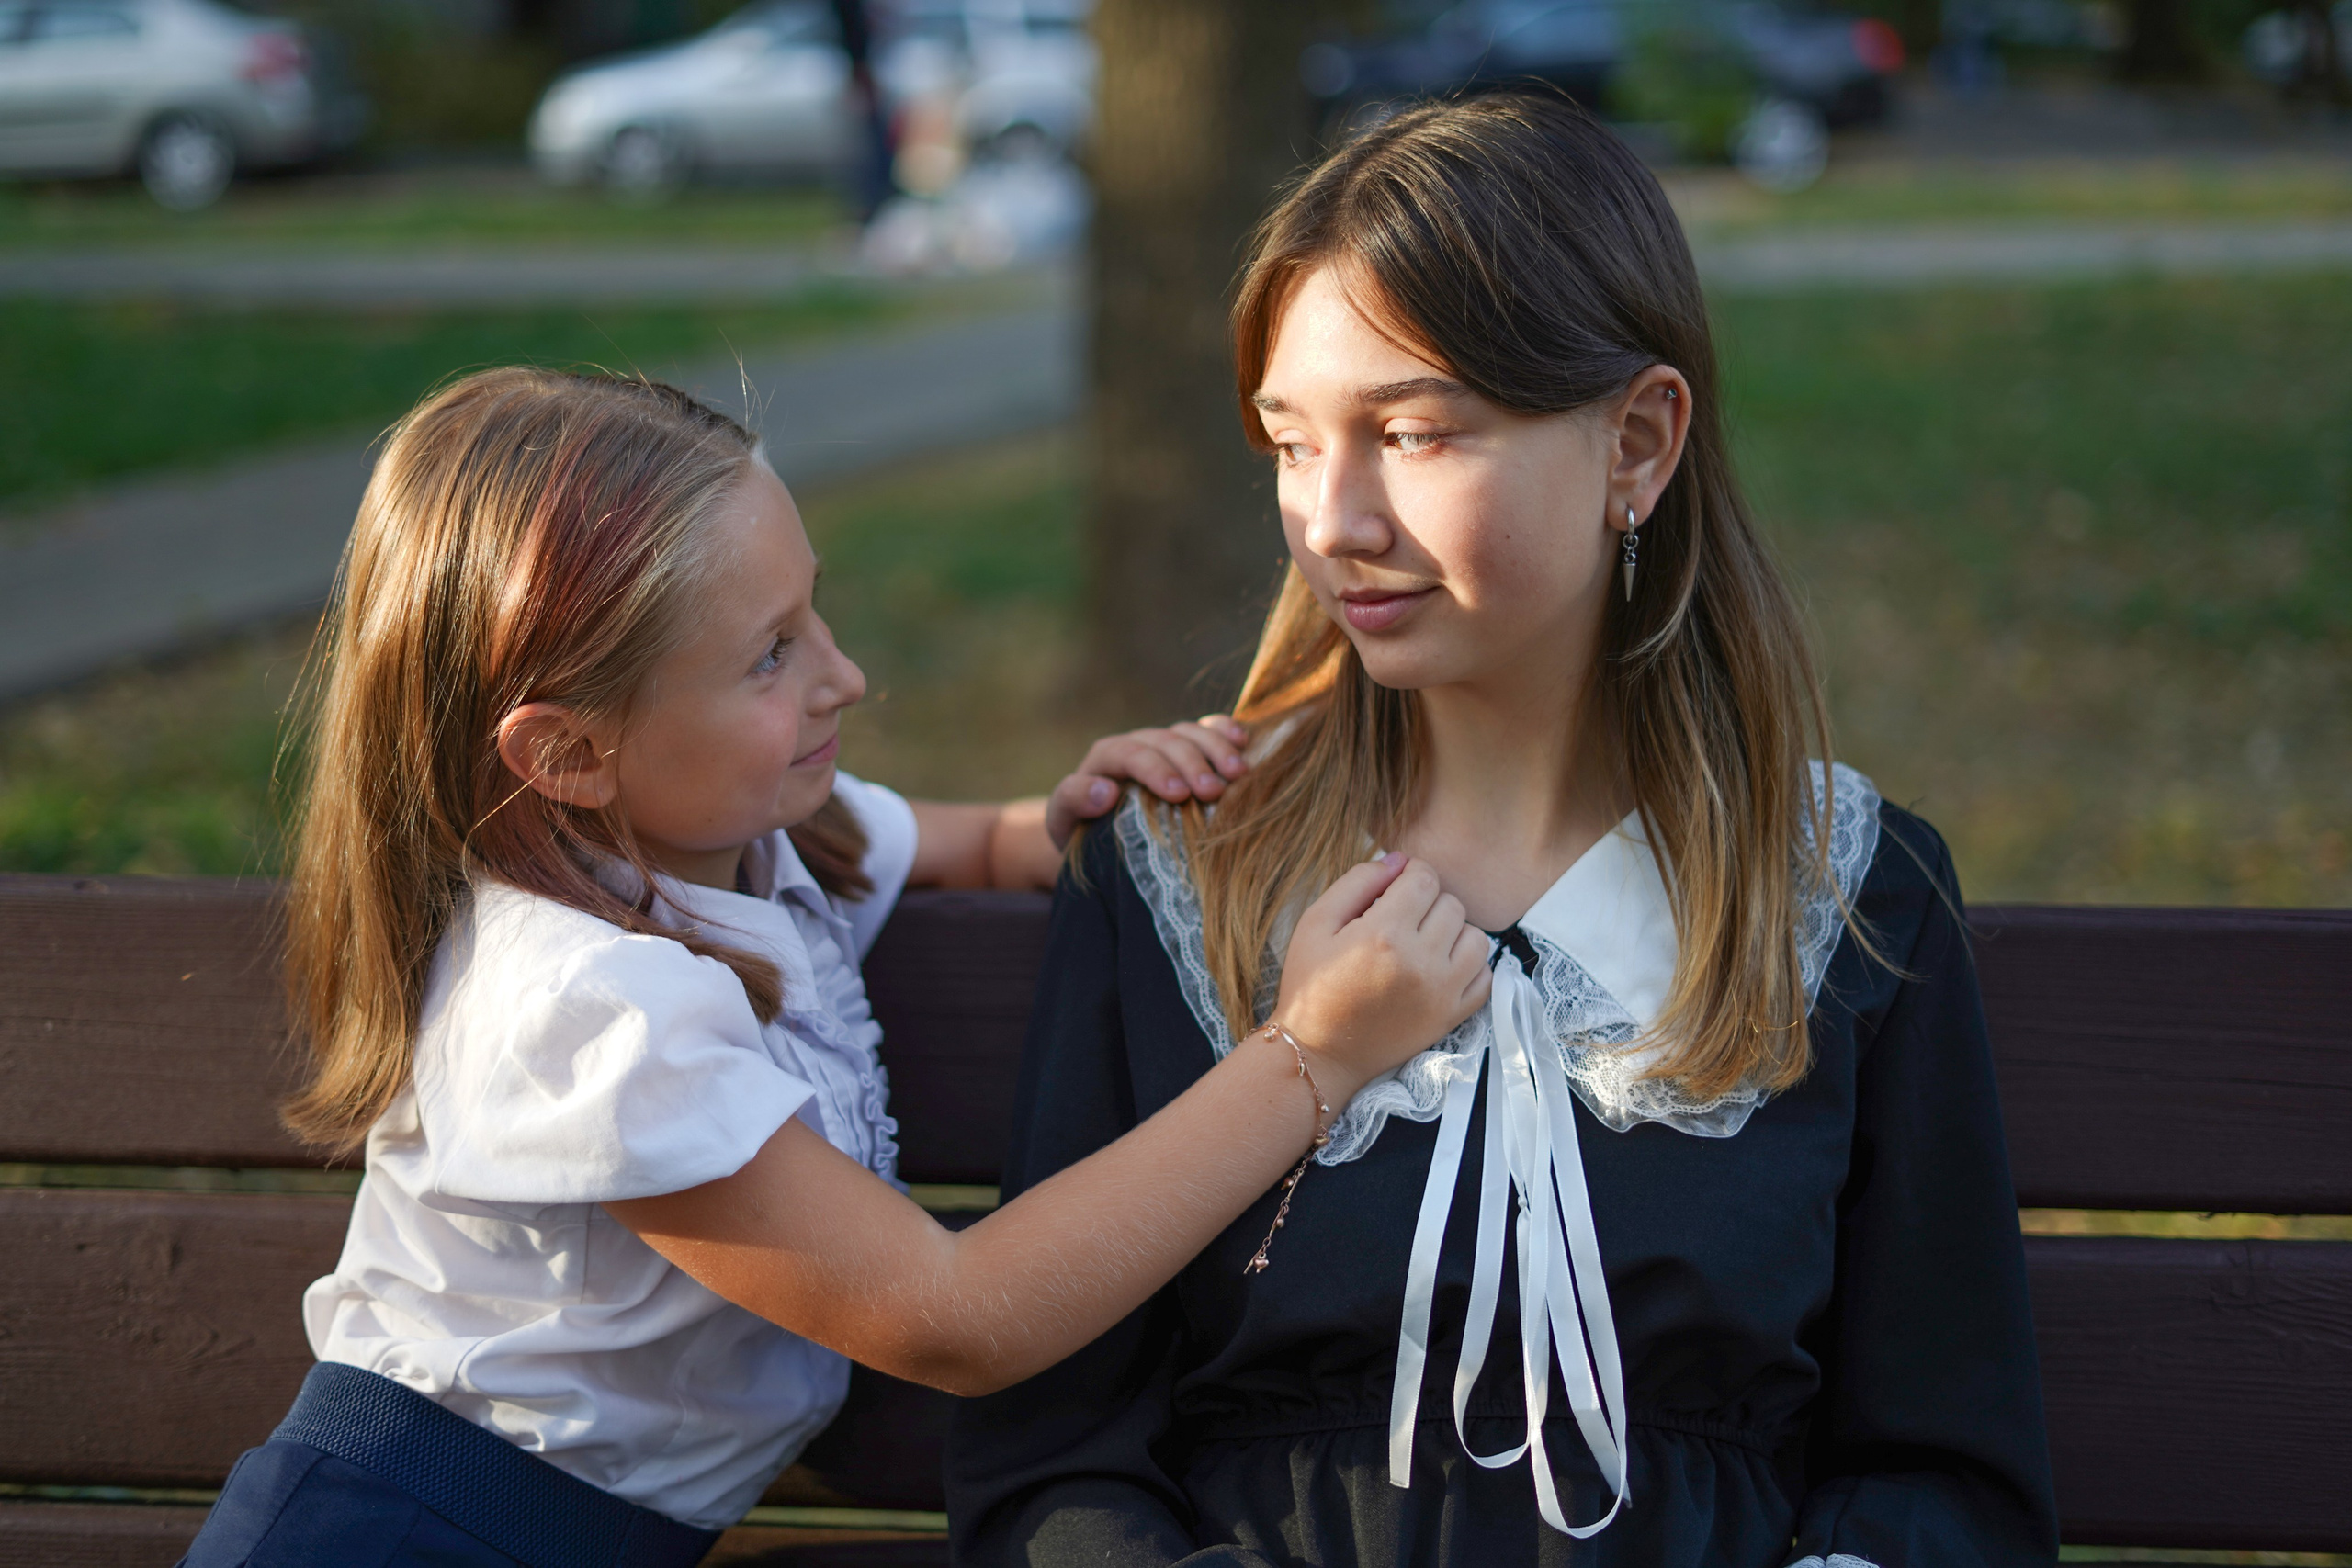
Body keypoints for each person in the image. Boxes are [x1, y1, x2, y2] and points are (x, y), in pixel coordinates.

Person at [947, 94, 2058, 1568]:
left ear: (1637, 444)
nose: (1332, 520)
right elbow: (1051, 1468)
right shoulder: (1178, 872)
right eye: (1291, 444)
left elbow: (1943, 1476)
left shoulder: (1846, 896)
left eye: (1411, 434)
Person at [176, 368, 1491, 1568]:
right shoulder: (590, 1013)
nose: (844, 676)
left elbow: (970, 842)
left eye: (813, 613)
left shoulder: (745, 833)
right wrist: (1313, 1054)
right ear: (567, 755)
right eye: (771, 654)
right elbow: (954, 1317)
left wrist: (1081, 809)